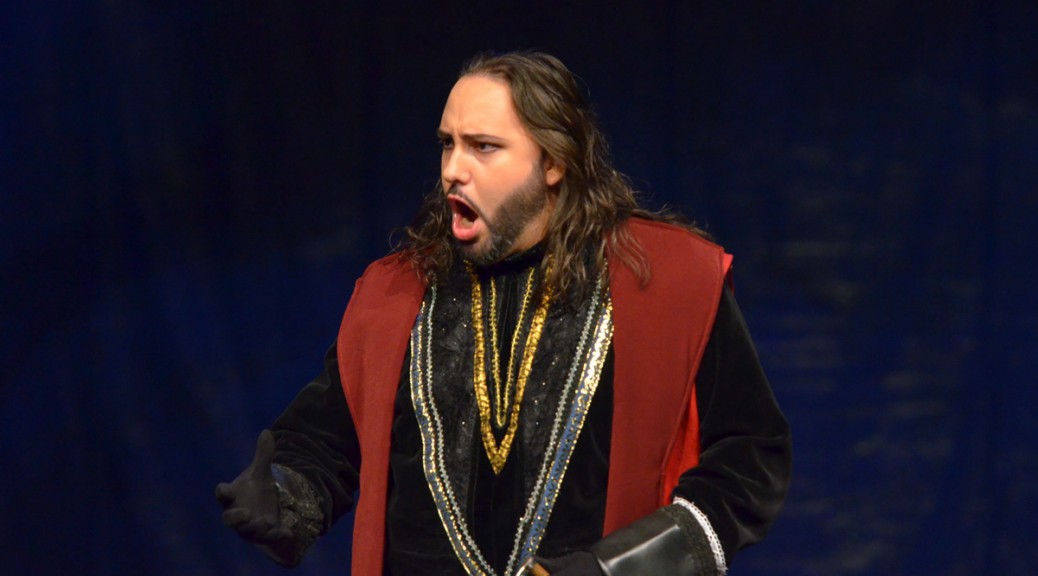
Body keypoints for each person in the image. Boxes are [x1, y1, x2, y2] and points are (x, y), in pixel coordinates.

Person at [216, 51, 791, 576]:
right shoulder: (394, 297)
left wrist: (621, 568)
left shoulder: (668, 283)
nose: (453, 169)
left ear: (554, 161)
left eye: (483, 147)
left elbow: (750, 459)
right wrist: (284, 495)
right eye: (448, 144)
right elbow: (325, 445)